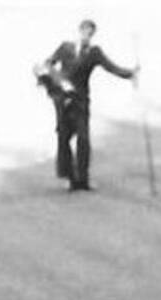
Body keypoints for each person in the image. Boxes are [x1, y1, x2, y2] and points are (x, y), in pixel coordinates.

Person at [35, 19, 138, 191]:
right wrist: (57, 82)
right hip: (63, 100)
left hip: (81, 101)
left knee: (83, 138)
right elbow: (47, 64)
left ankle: (83, 179)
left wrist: (129, 73)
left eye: (90, 34)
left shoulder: (94, 52)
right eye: (85, 32)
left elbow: (111, 67)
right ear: (79, 31)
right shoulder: (65, 47)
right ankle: (70, 178)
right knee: (64, 137)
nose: (86, 37)